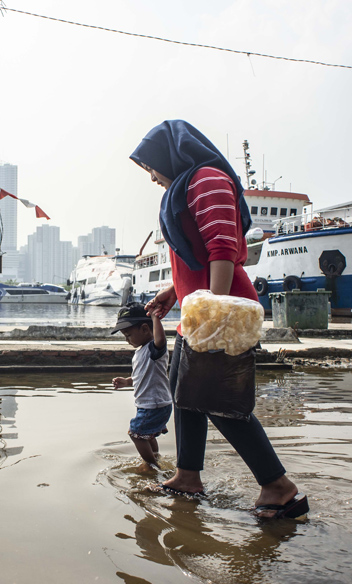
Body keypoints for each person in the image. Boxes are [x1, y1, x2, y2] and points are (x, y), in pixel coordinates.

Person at [131, 119, 308, 519]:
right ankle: (187, 476)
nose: (153, 177)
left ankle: (279, 487)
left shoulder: (206, 179)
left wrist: (215, 311)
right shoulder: (185, 186)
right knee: (184, 393)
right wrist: (173, 292)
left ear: (167, 156)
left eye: (151, 167)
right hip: (199, 313)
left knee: (216, 400)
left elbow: (223, 247)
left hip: (221, 315)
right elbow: (193, 255)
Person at [111, 303, 173, 472]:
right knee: (147, 435)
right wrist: (127, 381)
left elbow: (161, 340)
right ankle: (155, 456)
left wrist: (155, 318)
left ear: (145, 329)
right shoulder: (141, 350)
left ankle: (152, 466)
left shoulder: (154, 348)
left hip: (153, 405)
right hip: (152, 404)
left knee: (135, 434)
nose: (126, 339)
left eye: (128, 335)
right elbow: (142, 376)